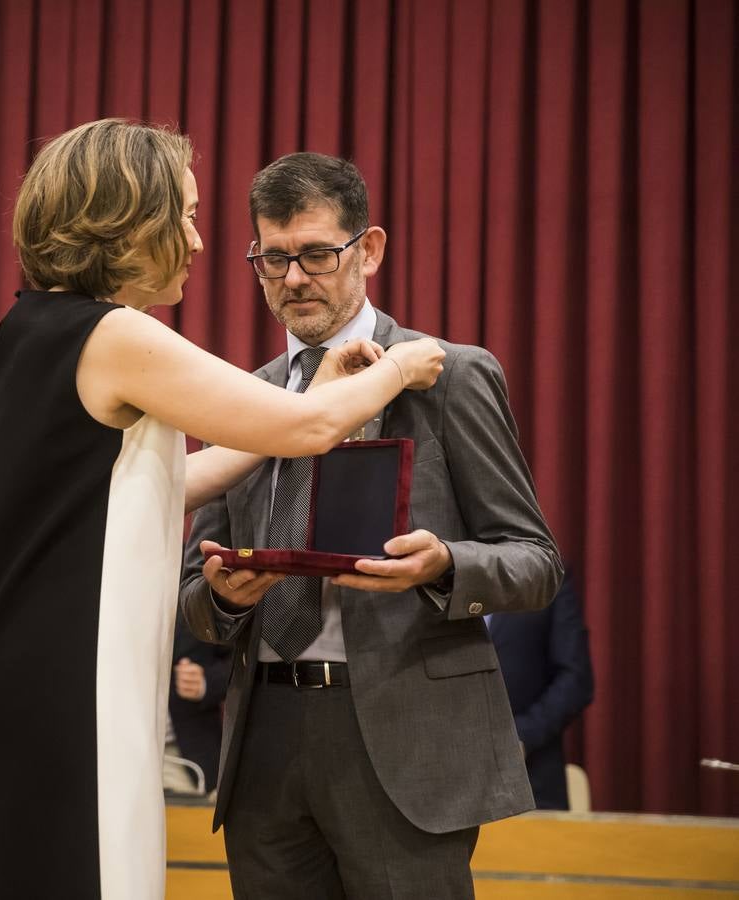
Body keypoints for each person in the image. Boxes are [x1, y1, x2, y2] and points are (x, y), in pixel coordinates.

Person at [0, 119, 445, 900]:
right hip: (70, 682)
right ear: (126, 221)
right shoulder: (110, 333)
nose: (198, 240)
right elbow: (304, 430)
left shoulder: (33, 326)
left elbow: (170, 480)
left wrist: (313, 392)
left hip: (28, 677)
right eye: (182, 214)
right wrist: (401, 364)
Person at [180, 151, 564, 900]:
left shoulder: (447, 374)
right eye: (273, 258)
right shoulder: (238, 396)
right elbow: (195, 597)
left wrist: (446, 563)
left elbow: (535, 560)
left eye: (317, 254)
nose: (294, 279)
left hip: (404, 742)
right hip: (264, 740)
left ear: (371, 250)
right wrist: (228, 596)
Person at [489, 572, 595, 810]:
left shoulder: (546, 576)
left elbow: (576, 679)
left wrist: (521, 736)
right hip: (440, 784)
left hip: (531, 778)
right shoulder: (428, 573)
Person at [166, 613, 232, 797]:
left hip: (183, 754)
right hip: (113, 751)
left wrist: (206, 682)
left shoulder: (195, 587)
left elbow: (245, 659)